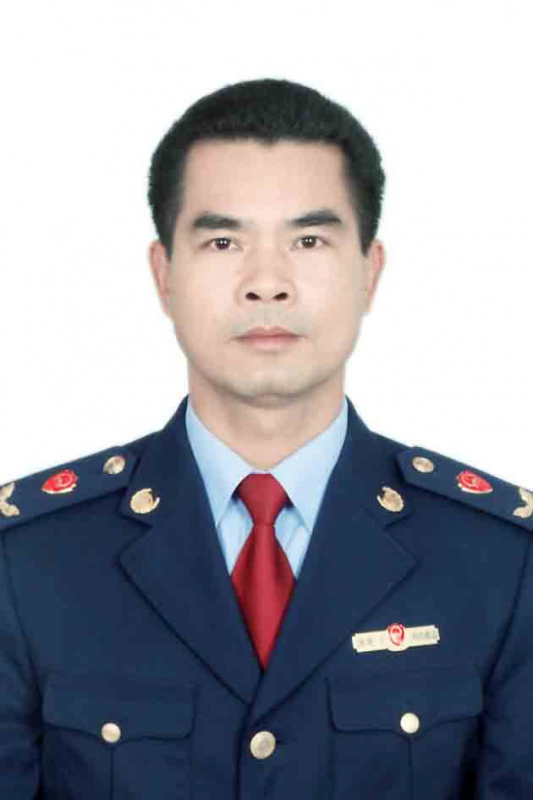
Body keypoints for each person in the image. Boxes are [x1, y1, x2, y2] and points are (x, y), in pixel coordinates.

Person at [1, 77, 532, 800]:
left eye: (308, 240)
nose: (266, 283)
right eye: (223, 241)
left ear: (369, 272)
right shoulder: (27, 564)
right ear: (163, 275)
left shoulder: (500, 562)